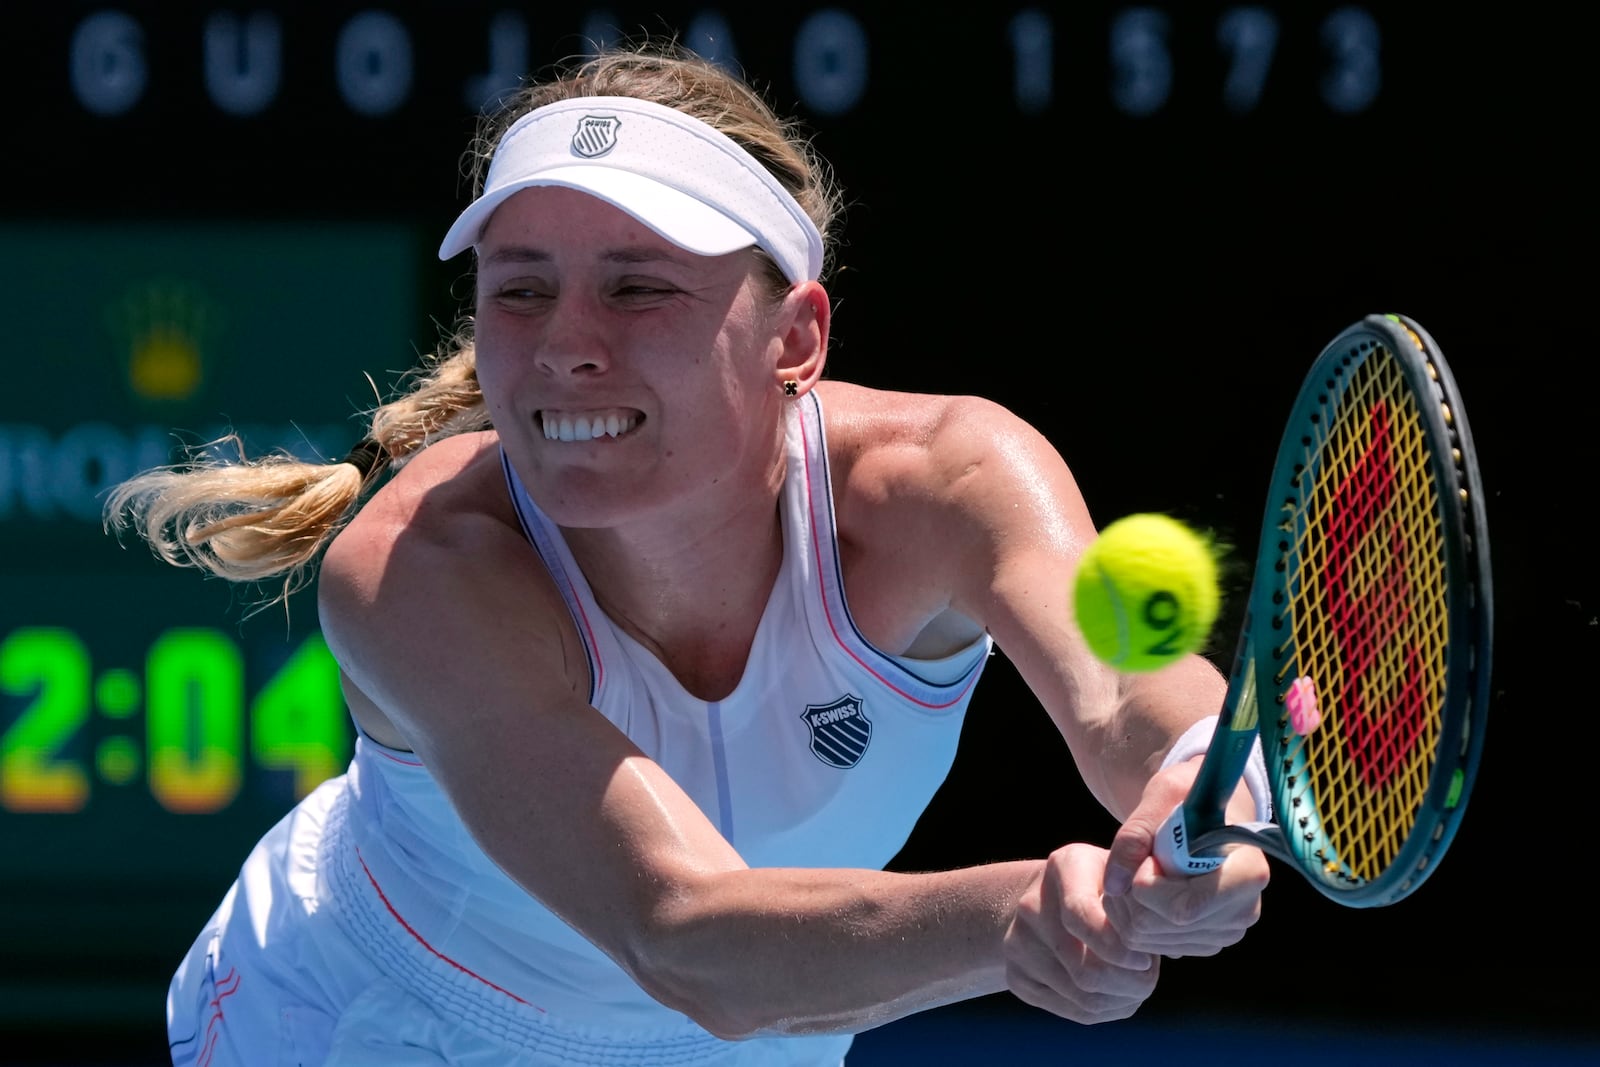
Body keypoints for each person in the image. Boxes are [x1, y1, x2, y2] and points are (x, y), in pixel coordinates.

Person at [108, 41, 1271, 1067]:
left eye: (638, 288)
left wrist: (1199, 772)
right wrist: (1021, 914)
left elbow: (1126, 691)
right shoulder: (416, 566)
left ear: (796, 336)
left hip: (766, 1029)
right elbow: (684, 928)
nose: (566, 345)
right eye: (522, 290)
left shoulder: (953, 479)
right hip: (378, 1029)